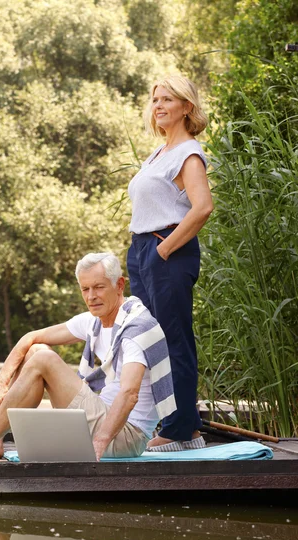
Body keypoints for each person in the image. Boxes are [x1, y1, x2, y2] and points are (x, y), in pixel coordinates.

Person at [0, 252, 176, 465]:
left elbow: (129, 394)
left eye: (99, 287)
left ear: (119, 285)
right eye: (85, 289)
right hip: (103, 416)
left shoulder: (136, 330)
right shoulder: (95, 321)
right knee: (37, 351)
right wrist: (2, 383)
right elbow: (30, 338)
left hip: (124, 437)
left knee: (45, 361)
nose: (91, 296)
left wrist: (98, 445)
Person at [127, 74, 214, 452]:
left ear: (186, 107)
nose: (159, 105)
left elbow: (203, 208)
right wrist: (146, 253)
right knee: (149, 341)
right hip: (143, 249)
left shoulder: (188, 153)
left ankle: (177, 428)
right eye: (156, 99)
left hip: (167, 251)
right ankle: (187, 427)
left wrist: (163, 251)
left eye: (168, 100)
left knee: (171, 340)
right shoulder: (159, 153)